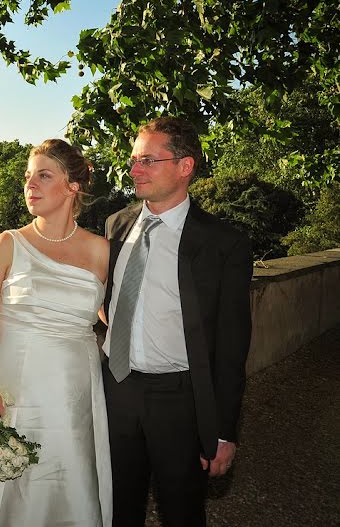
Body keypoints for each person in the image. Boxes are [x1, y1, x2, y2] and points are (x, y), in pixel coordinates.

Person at [102, 117, 253, 527]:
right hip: (114, 391)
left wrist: (224, 430)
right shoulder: (116, 226)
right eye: (134, 160)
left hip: (179, 400)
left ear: (184, 166)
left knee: (182, 510)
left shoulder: (224, 243)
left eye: (148, 160)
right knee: (115, 507)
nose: (134, 169)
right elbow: (109, 301)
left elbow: (231, 345)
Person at [0, 139, 112, 527]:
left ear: (72, 187)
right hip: (14, 387)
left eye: (44, 175)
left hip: (74, 390)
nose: (31, 184)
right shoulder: (8, 244)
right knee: (14, 483)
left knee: (69, 473)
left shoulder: (102, 251)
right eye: (28, 177)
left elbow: (113, 315)